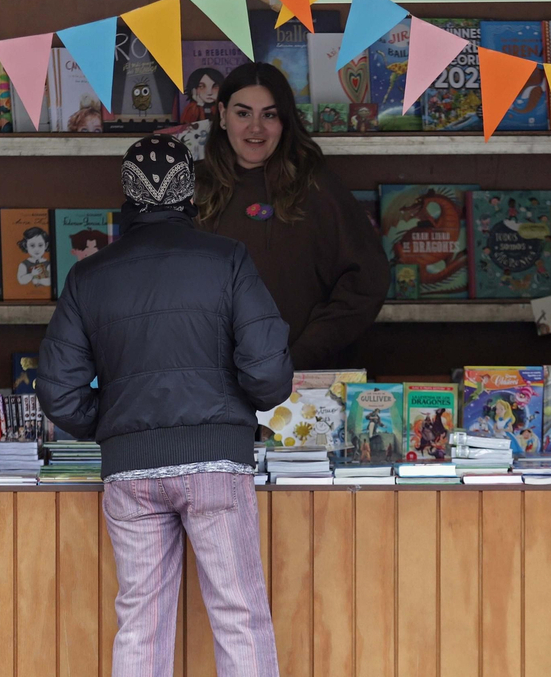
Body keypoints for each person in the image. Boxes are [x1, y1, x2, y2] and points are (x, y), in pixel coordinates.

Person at [38, 134, 293, 677]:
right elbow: (268, 374)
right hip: (216, 465)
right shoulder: (227, 259)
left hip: (130, 471)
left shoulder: (89, 276)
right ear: (191, 193)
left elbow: (59, 390)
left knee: (141, 622)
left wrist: (116, 424)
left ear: (127, 197)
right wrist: (238, 407)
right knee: (239, 616)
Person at [195, 62, 389, 369]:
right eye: (243, 114)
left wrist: (303, 355)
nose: (255, 128)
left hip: (304, 380)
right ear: (222, 115)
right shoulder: (192, 189)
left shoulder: (317, 187)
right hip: (209, 379)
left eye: (269, 115)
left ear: (285, 121)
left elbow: (366, 283)